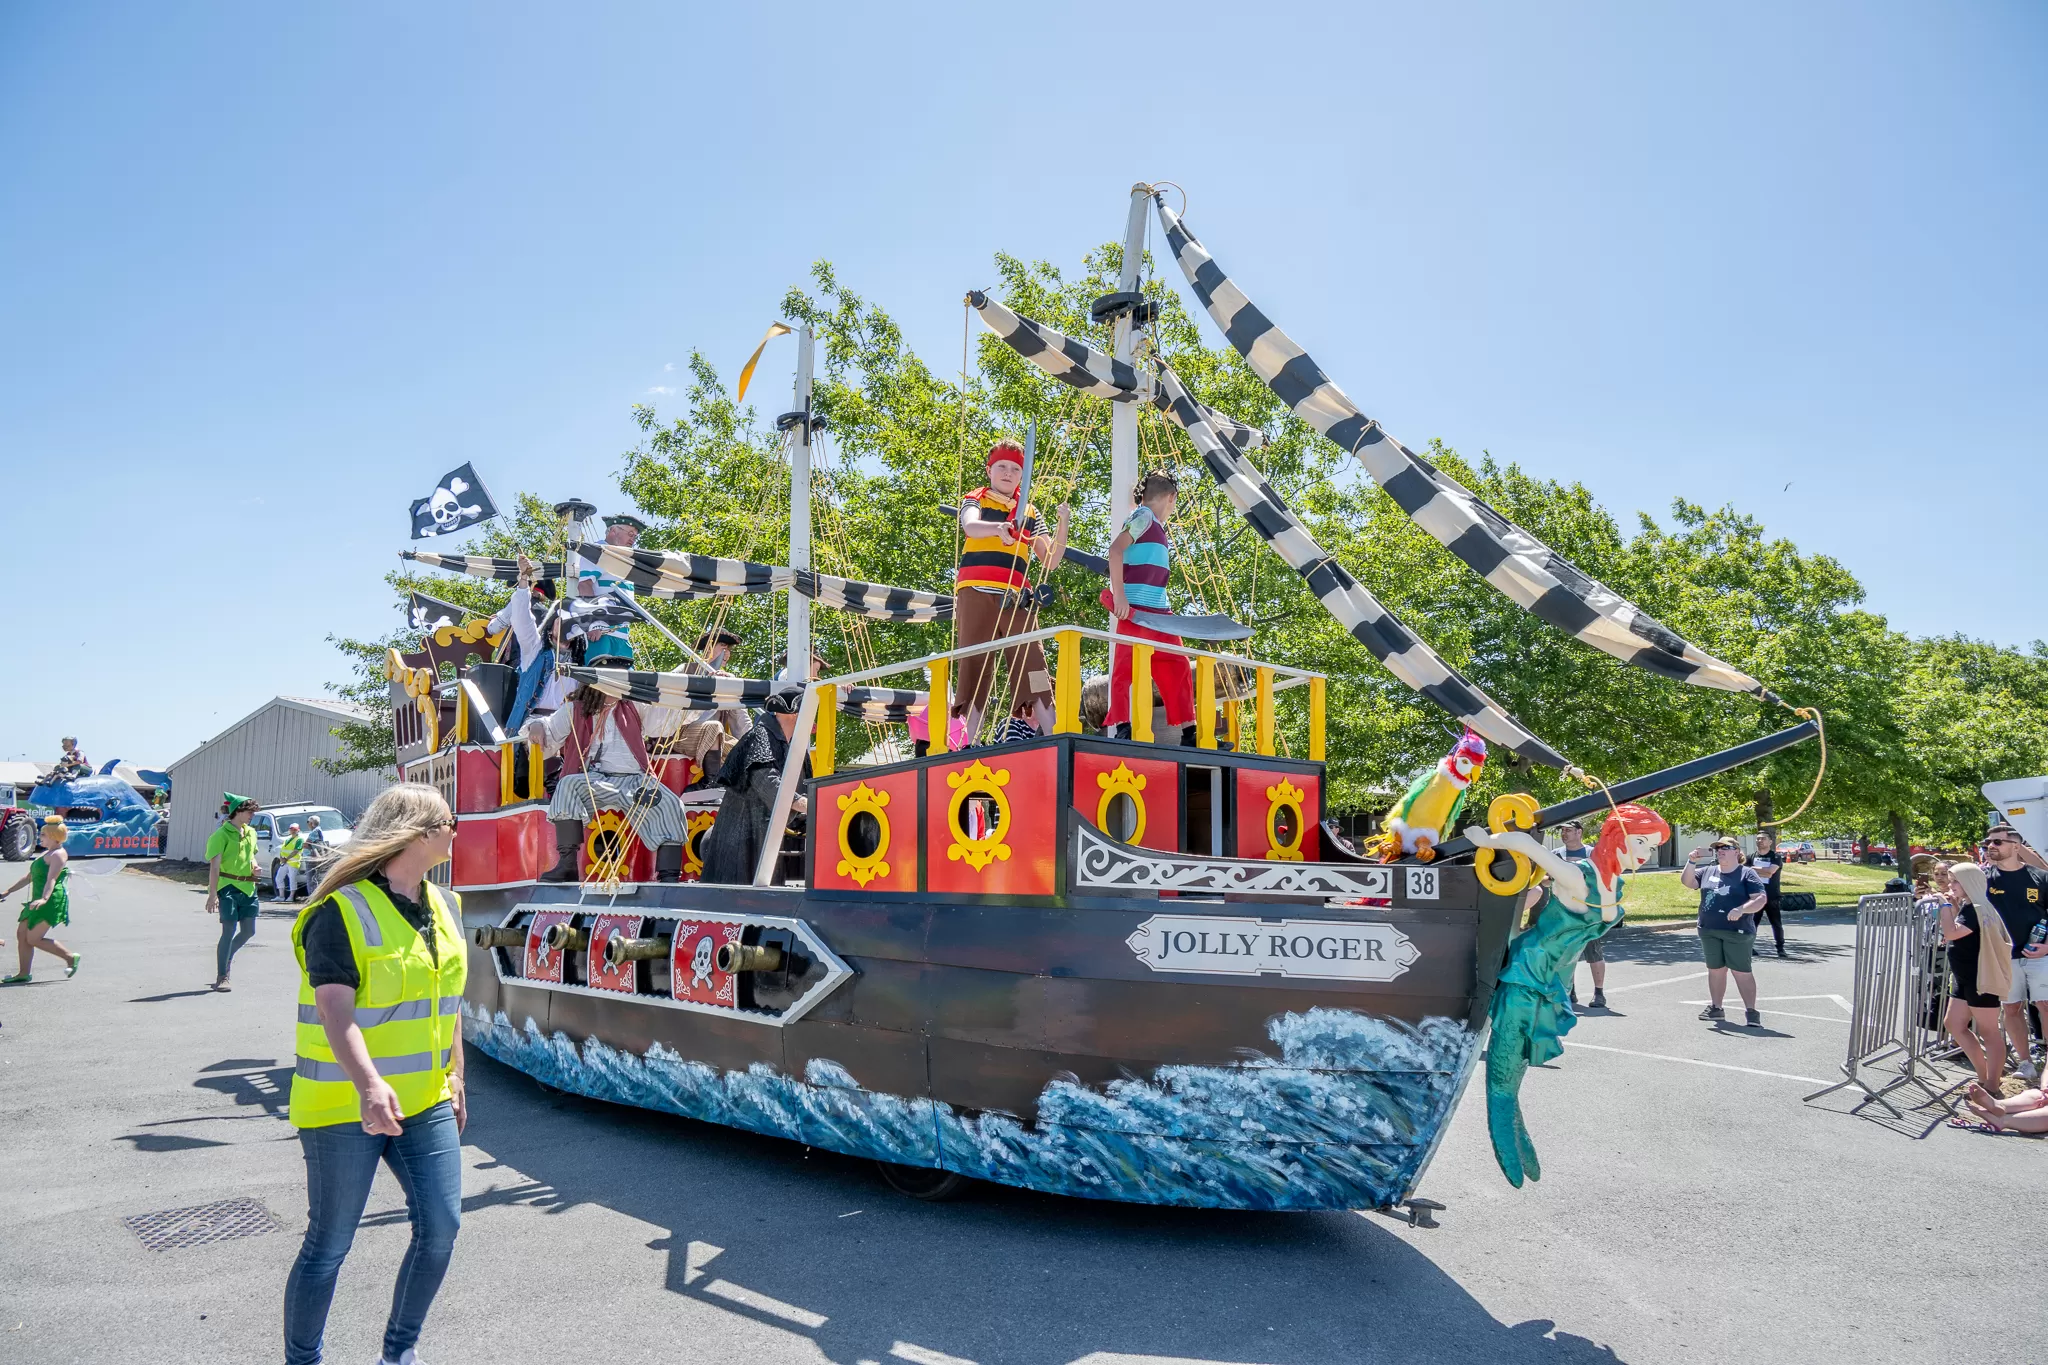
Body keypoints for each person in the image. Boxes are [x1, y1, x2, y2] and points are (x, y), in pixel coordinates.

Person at [282, 784, 465, 1365]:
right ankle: (303, 1359)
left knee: (440, 1229)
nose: (456, 830)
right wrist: (368, 1085)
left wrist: (457, 1076)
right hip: (344, 1102)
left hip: (424, 1100)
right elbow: (336, 1011)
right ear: (417, 831)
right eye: (449, 820)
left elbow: (448, 999)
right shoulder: (338, 911)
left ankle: (398, 1352)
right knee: (329, 1245)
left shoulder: (448, 903)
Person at [952, 439, 1071, 744]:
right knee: (975, 663)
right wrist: (999, 529)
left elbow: (1051, 559)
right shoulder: (977, 498)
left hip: (1016, 597)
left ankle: (1052, 735)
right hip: (975, 590)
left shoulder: (1029, 512)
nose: (1008, 473)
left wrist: (1063, 524)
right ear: (990, 470)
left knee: (1033, 662)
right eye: (1002, 467)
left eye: (1015, 469)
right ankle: (973, 740)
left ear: (1022, 475)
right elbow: (970, 526)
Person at [526, 679, 689, 883]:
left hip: (635, 781)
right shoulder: (575, 709)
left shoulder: (635, 706)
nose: (619, 686)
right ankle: (567, 865)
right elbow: (549, 726)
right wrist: (536, 725)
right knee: (567, 785)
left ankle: (669, 876)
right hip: (594, 780)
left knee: (672, 803)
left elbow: (664, 720)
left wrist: (690, 692)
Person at [1105, 472, 1194, 743]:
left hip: (1159, 613)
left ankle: (1189, 731)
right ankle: (1122, 727)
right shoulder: (1143, 517)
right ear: (1171, 498)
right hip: (1135, 611)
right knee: (1125, 668)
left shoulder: (1152, 524)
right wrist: (1119, 596)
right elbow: (1115, 551)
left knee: (1178, 665)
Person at [699, 688, 811, 885]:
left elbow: (804, 785)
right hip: (741, 833)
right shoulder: (761, 736)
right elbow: (766, 781)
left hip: (762, 834)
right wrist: (803, 804)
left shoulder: (794, 745)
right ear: (795, 714)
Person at [1939, 861, 2016, 1090]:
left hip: (1981, 979)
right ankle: (1983, 1077)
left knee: (1989, 1032)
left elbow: (1951, 932)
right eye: (1950, 881)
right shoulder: (1972, 906)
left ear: (1969, 883)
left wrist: (1944, 907)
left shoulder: (1977, 909)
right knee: (1953, 1023)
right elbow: (1960, 930)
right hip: (1966, 978)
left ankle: (1992, 1085)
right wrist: (1952, 907)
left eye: (1955, 881)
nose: (1950, 885)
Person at [1983, 823, 2048, 1082]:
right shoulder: (1984, 878)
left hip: (2039, 955)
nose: (1991, 846)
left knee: (2045, 1005)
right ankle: (2025, 1062)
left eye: (1997, 842)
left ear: (2016, 846)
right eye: (1988, 842)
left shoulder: (2040, 877)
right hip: (2004, 958)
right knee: (2011, 1008)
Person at [1683, 836, 1769, 1026]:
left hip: (1737, 931)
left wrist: (1741, 909)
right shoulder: (1708, 871)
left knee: (1741, 972)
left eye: (1725, 847)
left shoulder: (1746, 873)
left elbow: (1760, 899)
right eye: (1718, 847)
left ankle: (1752, 1012)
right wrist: (1691, 861)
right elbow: (1688, 882)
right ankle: (1716, 1008)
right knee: (1715, 970)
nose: (1720, 850)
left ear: (1737, 852)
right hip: (1709, 929)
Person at [0, 816, 82, 984]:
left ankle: (70, 958)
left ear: (53, 836)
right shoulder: (46, 852)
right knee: (22, 934)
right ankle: (23, 973)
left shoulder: (59, 855)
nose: (40, 837)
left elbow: (51, 879)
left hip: (50, 899)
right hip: (37, 898)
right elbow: (29, 877)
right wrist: (8, 891)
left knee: (33, 938)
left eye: (43, 834)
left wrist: (44, 898)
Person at [490, 553, 561, 732]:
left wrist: (498, 618)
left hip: (517, 666)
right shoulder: (550, 614)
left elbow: (493, 628)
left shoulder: (518, 605)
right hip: (542, 669)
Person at [206, 794, 262, 991]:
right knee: (228, 932)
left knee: (249, 931)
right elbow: (214, 867)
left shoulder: (251, 833)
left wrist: (255, 867)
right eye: (249, 812)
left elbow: (251, 856)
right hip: (227, 887)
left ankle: (227, 956)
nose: (252, 816)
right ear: (237, 812)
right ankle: (222, 976)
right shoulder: (220, 835)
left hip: (248, 887)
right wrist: (212, 894)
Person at [577, 513, 646, 666]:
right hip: (602, 633)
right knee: (598, 683)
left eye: (635, 536)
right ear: (613, 531)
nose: (633, 539)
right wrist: (594, 622)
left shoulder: (624, 559)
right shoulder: (599, 552)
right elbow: (584, 585)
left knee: (624, 685)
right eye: (630, 534)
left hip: (622, 635)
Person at [1554, 821, 1607, 1011]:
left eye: (1568, 830)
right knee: (1567, 953)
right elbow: (1544, 878)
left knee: (1594, 952)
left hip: (1589, 912)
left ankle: (1599, 993)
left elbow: (1605, 878)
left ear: (1579, 832)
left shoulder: (1592, 854)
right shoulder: (1557, 855)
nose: (1564, 834)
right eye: (1562, 831)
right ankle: (1570, 991)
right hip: (1564, 912)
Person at [1747, 830, 1788, 958]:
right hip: (1755, 896)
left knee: (1776, 923)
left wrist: (1753, 869)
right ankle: (1749, 947)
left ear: (1770, 842)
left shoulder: (1775, 857)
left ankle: (1780, 948)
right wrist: (1761, 870)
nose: (1760, 841)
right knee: (1752, 923)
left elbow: (1770, 872)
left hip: (1771, 896)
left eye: (1763, 839)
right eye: (1758, 839)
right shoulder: (1751, 857)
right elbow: (1745, 872)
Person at [274, 822, 307, 901]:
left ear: (298, 830)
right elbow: (283, 849)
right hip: (285, 862)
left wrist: (286, 858)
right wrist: (281, 858)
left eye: (295, 829)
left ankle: (291, 897)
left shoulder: (299, 839)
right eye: (291, 829)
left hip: (293, 862)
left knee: (292, 879)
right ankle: (281, 896)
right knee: (279, 878)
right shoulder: (288, 839)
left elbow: (296, 851)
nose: (293, 831)